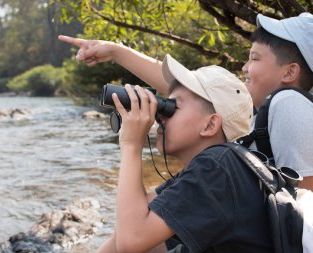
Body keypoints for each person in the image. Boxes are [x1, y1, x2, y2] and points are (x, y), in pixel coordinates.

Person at [58, 12, 313, 190]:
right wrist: (115, 51)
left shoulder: (288, 103)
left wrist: (132, 145)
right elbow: (189, 93)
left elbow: (305, 203)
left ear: (289, 72)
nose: (245, 67)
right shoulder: (264, 113)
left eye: (255, 59)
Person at [94, 54, 272, 252]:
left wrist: (131, 145)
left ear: (210, 124)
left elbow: (131, 242)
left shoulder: (218, 166)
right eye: (164, 104)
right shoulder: (215, 167)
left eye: (172, 107)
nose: (160, 115)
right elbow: (132, 218)